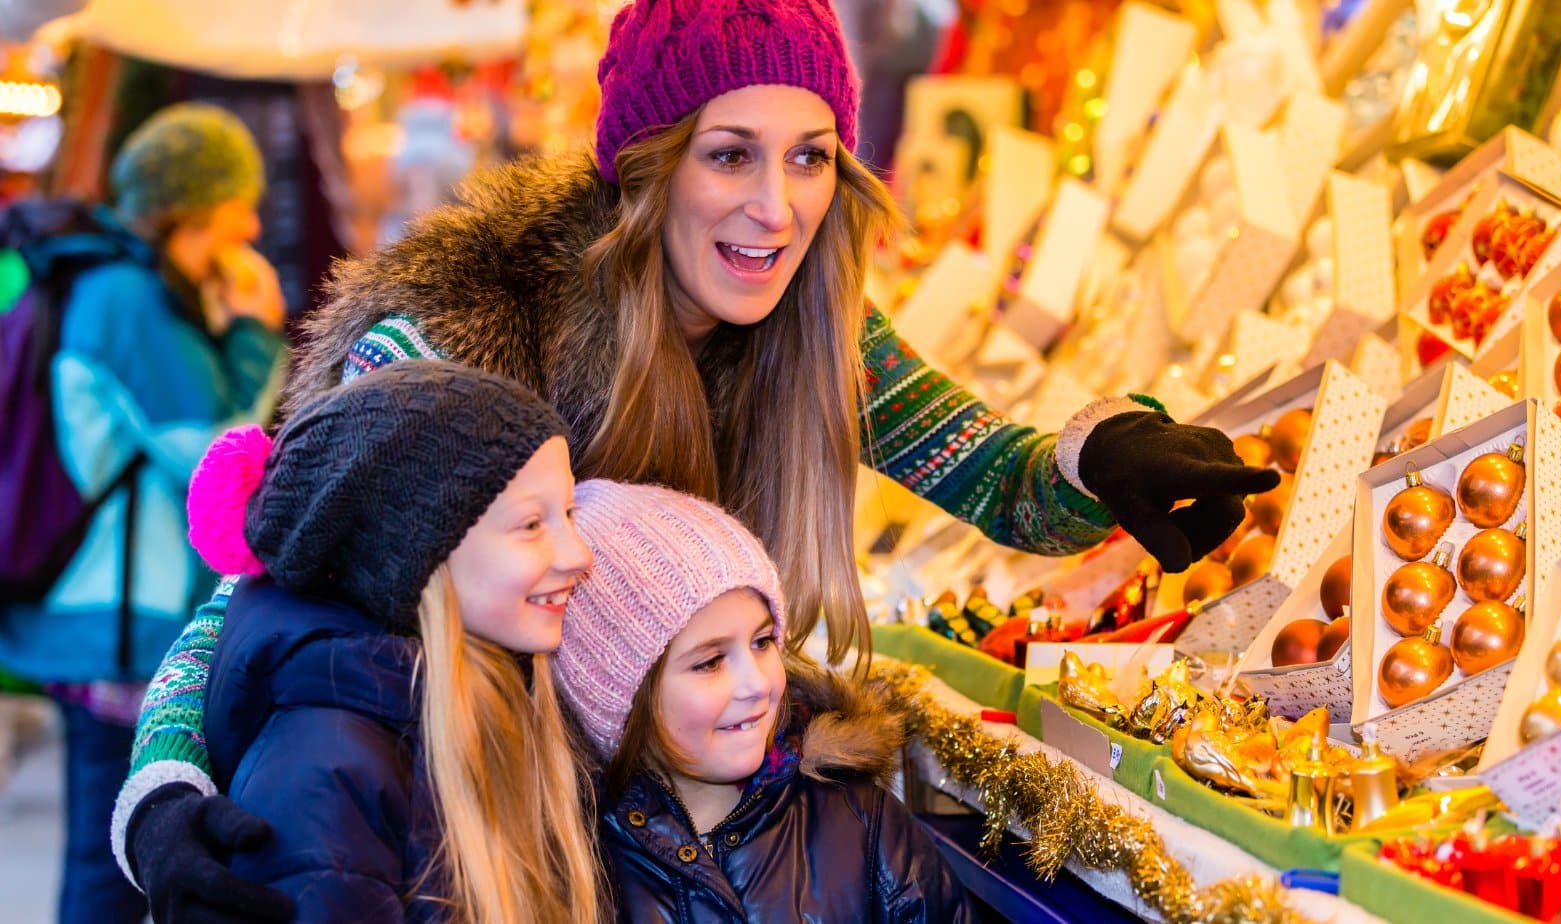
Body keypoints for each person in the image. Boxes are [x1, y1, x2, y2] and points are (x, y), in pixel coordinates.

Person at [115, 0, 1277, 916]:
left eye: (811, 158)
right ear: (647, 165)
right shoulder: (465, 328)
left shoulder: (810, 327)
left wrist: (1101, 458)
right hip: (456, 843)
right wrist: (164, 791)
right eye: (730, 156)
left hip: (637, 848)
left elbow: (986, 467)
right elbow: (255, 589)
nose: (775, 208)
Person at [184, 360, 606, 922]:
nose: (581, 555)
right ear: (412, 552)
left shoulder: (480, 698)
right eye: (532, 524)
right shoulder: (328, 779)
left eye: (571, 513)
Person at [0, 102, 287, 924]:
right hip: (116, 623)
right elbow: (208, 453)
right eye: (240, 198)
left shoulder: (116, 281)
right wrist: (254, 335)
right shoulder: (127, 295)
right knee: (109, 859)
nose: (257, 219)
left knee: (102, 846)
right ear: (196, 203)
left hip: (101, 614)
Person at [556, 480, 973, 922]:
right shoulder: (579, 861)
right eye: (711, 662)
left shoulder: (860, 824)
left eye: (762, 641)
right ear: (621, 695)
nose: (756, 683)